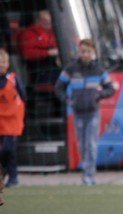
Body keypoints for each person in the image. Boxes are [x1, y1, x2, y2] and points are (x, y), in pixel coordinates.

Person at [54, 39, 115, 186]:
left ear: (93, 52)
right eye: (82, 51)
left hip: (93, 112)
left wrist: (99, 95)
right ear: (79, 52)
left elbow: (111, 88)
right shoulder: (71, 69)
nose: (85, 54)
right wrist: (68, 100)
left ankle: (89, 176)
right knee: (82, 145)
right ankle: (86, 173)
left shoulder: (99, 70)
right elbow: (58, 87)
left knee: (91, 145)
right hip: (78, 113)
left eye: (88, 51)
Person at [16, 10, 59, 122]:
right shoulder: (29, 34)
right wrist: (48, 53)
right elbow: (27, 53)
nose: (49, 24)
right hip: (39, 71)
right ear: (38, 20)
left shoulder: (55, 32)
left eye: (50, 21)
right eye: (46, 21)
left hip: (55, 68)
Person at [0, 48, 25, 187]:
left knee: (8, 150)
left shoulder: (14, 79)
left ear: (8, 63)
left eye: (3, 62)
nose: (1, 65)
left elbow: (23, 97)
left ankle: (13, 177)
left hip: (12, 121)